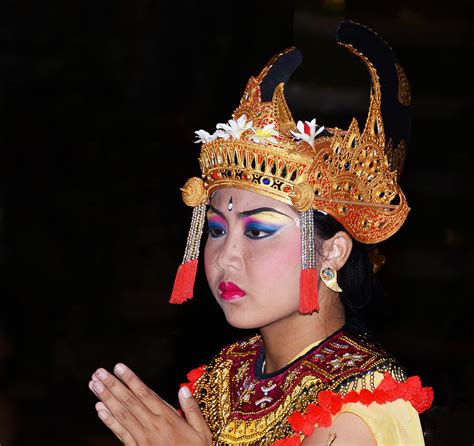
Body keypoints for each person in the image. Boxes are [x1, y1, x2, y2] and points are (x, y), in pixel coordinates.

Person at [87, 20, 434, 445]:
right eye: (215, 228)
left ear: (333, 252)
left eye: (258, 231)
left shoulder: (359, 407)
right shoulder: (228, 375)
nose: (225, 256)